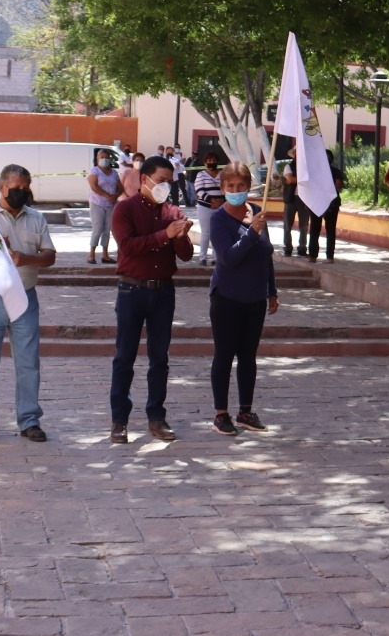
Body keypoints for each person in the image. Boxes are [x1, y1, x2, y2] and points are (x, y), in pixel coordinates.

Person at [108, 155, 193, 443]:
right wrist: (163, 235)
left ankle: (156, 417)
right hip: (131, 290)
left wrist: (181, 235)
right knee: (124, 358)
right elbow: (128, 247)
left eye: (169, 181)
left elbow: (186, 254)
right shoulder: (124, 209)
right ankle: (119, 421)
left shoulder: (172, 211)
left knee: (160, 359)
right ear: (144, 179)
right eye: (160, 180)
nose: (165, 186)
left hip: (163, 291)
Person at [0, 165, 56, 443]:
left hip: (26, 297)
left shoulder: (36, 218)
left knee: (29, 361)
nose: (23, 192)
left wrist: (25, 258)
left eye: (26, 187)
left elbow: (49, 255)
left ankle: (30, 420)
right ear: (2, 187)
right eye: (17, 188)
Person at [207, 162, 280, 435]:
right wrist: (251, 233)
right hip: (227, 297)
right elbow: (229, 258)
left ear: (249, 187)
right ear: (223, 188)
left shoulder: (257, 212)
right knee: (224, 355)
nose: (235, 191)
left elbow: (266, 255)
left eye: (241, 186)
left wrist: (271, 290)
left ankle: (245, 411)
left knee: (248, 357)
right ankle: (220, 413)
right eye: (230, 186)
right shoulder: (219, 220)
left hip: (254, 298)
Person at [304, 162, 344, 263]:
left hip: (320, 202)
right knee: (329, 230)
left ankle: (313, 256)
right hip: (330, 203)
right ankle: (329, 256)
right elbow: (339, 186)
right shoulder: (335, 171)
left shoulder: (314, 173)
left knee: (315, 229)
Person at [87, 148, 121, 264]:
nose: (104, 159)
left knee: (107, 230)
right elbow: (94, 187)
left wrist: (115, 196)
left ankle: (105, 255)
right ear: (97, 159)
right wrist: (107, 195)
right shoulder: (94, 171)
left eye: (106, 157)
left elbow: (120, 187)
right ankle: (91, 254)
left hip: (111, 205)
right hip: (97, 204)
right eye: (102, 157)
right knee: (97, 229)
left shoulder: (114, 173)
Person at [193, 154, 225, 268]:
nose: (212, 162)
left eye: (214, 160)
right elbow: (199, 190)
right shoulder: (201, 175)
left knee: (218, 233)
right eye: (209, 160)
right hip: (205, 207)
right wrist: (212, 201)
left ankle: (216, 258)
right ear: (205, 162)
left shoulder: (222, 174)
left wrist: (222, 200)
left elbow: (225, 188)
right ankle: (202, 257)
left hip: (221, 207)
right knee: (206, 232)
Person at [280, 161, 306, 257]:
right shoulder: (289, 166)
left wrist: (297, 179)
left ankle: (302, 247)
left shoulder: (307, 166)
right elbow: (290, 179)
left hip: (304, 198)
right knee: (287, 224)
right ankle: (288, 247)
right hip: (290, 198)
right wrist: (303, 179)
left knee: (304, 224)